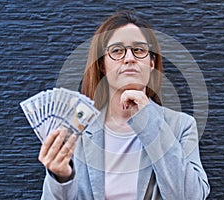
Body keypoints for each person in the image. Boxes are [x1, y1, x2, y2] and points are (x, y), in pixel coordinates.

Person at [38, 11, 210, 199]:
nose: (129, 58)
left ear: (151, 63)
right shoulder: (76, 127)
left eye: (139, 50)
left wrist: (150, 121)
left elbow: (191, 196)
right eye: (117, 51)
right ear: (102, 65)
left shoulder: (181, 126)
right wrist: (61, 179)